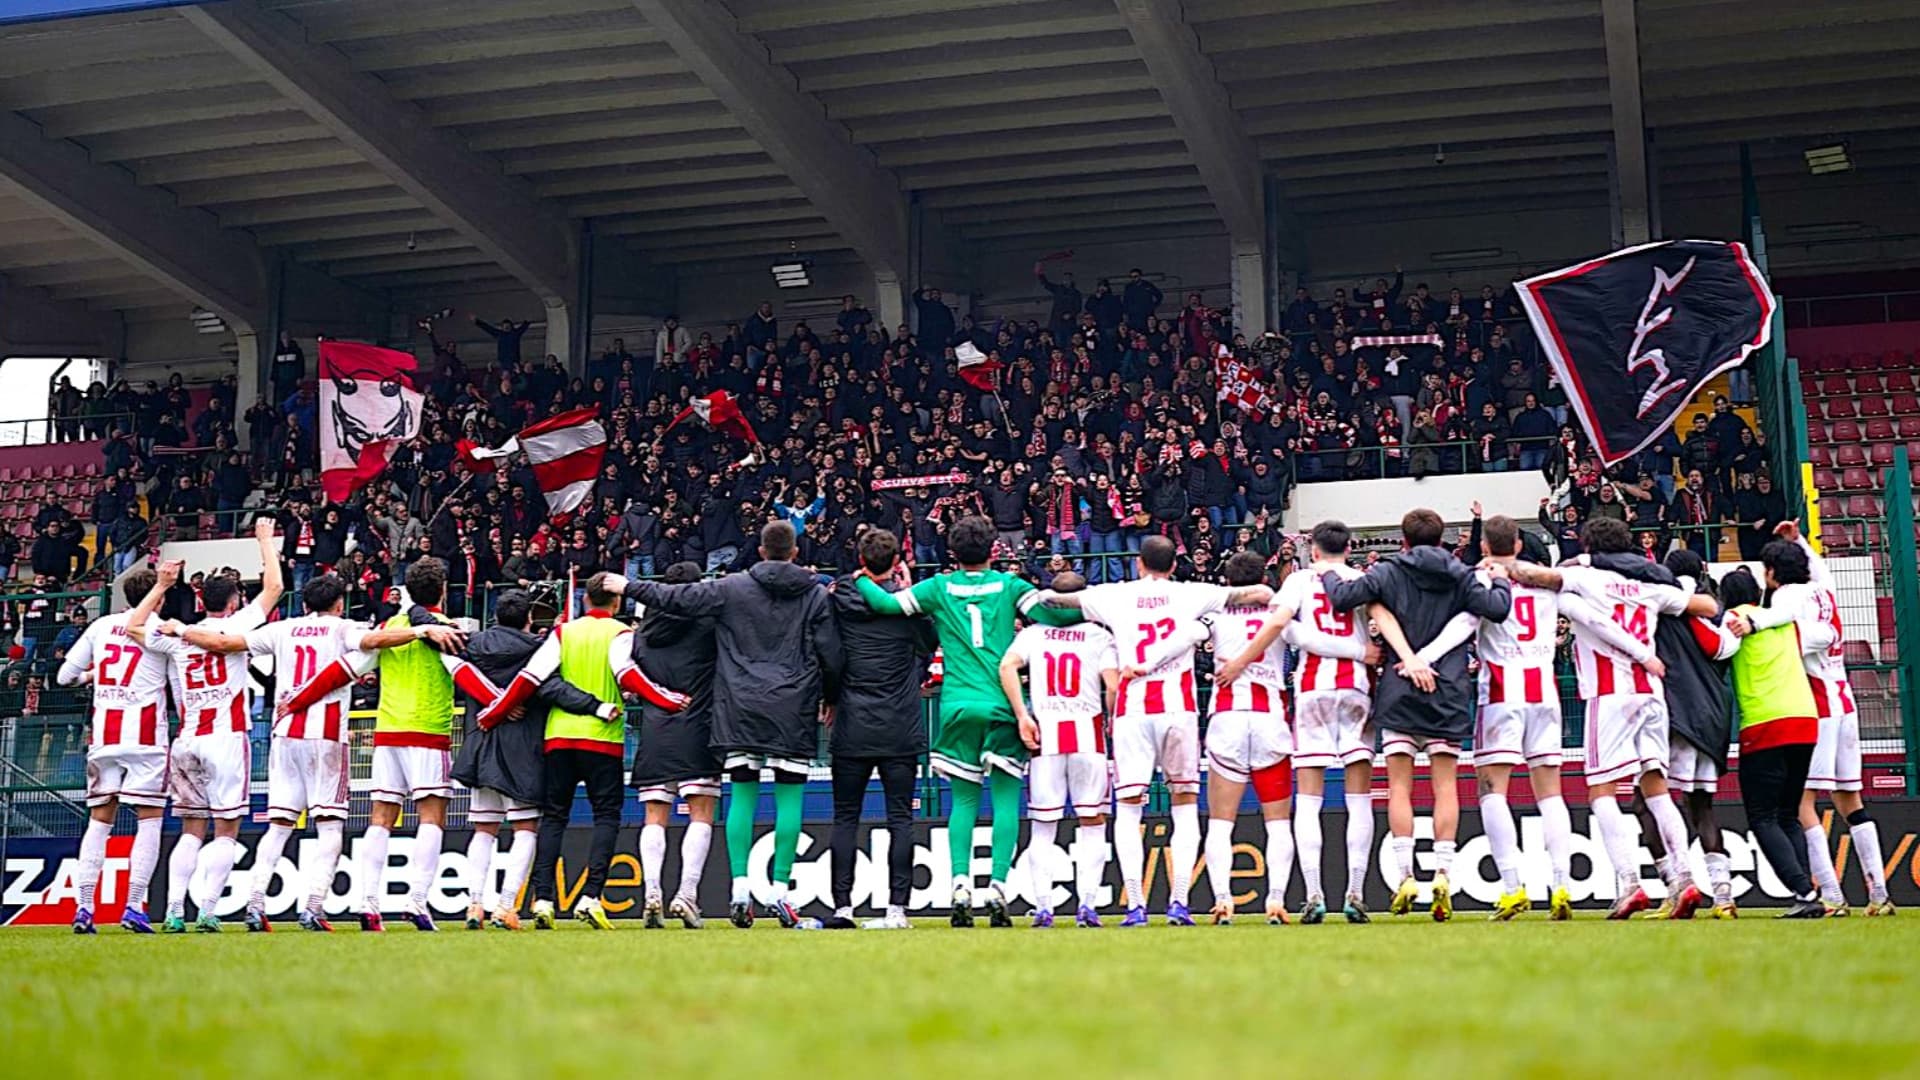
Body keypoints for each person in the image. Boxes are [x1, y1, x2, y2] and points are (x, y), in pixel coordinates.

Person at [171, 573, 460, 931]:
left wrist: (180, 630)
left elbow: (227, 643)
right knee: (329, 824)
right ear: (339, 604)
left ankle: (256, 905)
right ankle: (313, 907)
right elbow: (372, 641)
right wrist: (420, 631)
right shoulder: (343, 628)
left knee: (279, 824)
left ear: (305, 604)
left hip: (284, 734)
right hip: (326, 737)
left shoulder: (282, 628)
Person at [601, 521, 842, 930]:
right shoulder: (814, 594)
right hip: (792, 706)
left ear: (761, 552)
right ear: (795, 552)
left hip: (740, 705)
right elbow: (830, 650)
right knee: (789, 798)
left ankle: (740, 889)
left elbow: (673, 596)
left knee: (743, 794)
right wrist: (831, 695)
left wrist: (627, 586)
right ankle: (781, 891)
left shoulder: (732, 587)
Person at [1402, 519, 1641, 921]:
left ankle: (1513, 888)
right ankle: (1562, 885)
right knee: (1550, 793)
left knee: (1493, 791)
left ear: (1483, 544)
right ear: (1516, 543)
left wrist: (1420, 658)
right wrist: (1640, 651)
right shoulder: (1547, 583)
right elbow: (1595, 620)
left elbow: (1463, 625)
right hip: (1545, 695)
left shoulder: (1482, 581)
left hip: (1501, 695)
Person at [854, 515, 1081, 928]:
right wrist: (1093, 610)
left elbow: (886, 604)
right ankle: (996, 887)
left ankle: (960, 883)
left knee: (963, 800)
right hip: (1004, 704)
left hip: (958, 704)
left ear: (952, 553)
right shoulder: (1012, 587)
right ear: (994, 549)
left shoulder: (938, 588)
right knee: (1007, 800)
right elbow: (1054, 618)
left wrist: (863, 579)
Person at [1037, 534, 1272, 927]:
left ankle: (1136, 906)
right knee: (1183, 805)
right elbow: (1258, 594)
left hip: (1132, 711)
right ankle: (1179, 902)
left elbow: (1057, 599)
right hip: (1178, 710)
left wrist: (1045, 598)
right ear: (1174, 565)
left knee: (1129, 810)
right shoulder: (1192, 592)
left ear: (1138, 564)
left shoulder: (1115, 594)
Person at [1506, 518, 1717, 919]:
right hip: (1652, 697)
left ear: (1592, 547)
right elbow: (1707, 606)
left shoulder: (1586, 580)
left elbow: (1527, 572)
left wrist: (1570, 564)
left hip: (1610, 696)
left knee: (1602, 790)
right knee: (1656, 788)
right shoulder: (1649, 589)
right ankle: (1684, 879)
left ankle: (1629, 883)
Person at [272, 558, 496, 932]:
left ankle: (368, 903)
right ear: (443, 590)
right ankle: (416, 901)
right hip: (427, 731)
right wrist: (501, 705)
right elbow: (464, 674)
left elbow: (343, 670)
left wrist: (296, 699)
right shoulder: (442, 630)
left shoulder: (389, 628)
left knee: (380, 819)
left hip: (387, 732)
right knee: (431, 817)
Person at [1325, 508, 1512, 921]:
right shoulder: (1461, 574)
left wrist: (1327, 572)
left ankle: (1406, 874)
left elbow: (1341, 599)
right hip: (1447, 689)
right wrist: (1498, 578)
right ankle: (1444, 871)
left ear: (1403, 540)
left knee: (1399, 787)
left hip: (1399, 684)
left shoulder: (1389, 572)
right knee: (1445, 787)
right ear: (1442, 538)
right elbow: (1496, 609)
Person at [474, 572, 689, 930]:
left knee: (555, 818)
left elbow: (530, 677)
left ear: (585, 601)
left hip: (558, 738)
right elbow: (626, 675)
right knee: (606, 816)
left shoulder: (564, 632)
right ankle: (590, 897)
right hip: (603, 739)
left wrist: (493, 713)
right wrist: (666, 700)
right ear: (616, 602)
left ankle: (542, 901)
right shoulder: (620, 634)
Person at [126, 519, 283, 933]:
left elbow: (132, 628)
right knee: (226, 829)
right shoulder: (236, 626)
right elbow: (275, 589)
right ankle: (208, 911)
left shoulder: (179, 634)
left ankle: (175, 909)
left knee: (192, 828)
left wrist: (160, 587)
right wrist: (265, 541)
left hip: (187, 739)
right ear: (232, 602)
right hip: (226, 739)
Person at [1221, 521, 1376, 923]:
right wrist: (1362, 652)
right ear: (1350, 545)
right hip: (1358, 689)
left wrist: (1239, 663)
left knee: (1309, 797)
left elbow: (1280, 627)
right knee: (1359, 797)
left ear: (1313, 548)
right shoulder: (1363, 580)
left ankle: (1313, 893)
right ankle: (1356, 891)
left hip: (1312, 690)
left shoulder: (1299, 581)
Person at [452, 589, 613, 931]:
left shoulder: (474, 644)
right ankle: (506, 906)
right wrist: (594, 705)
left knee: (483, 828)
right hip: (522, 750)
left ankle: (474, 904)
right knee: (525, 827)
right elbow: (552, 688)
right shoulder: (536, 648)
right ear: (528, 619)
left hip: (481, 743)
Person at [1767, 523, 1893, 916]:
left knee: (1802, 801)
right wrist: (1799, 541)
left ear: (1773, 573)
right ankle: (1879, 894)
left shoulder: (1786, 596)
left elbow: (1780, 620)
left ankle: (1833, 897)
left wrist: (1752, 621)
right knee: (1849, 799)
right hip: (1845, 701)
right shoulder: (1823, 589)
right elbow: (1820, 567)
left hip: (1818, 706)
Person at [1616, 549, 1740, 919]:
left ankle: (1674, 884)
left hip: (1677, 714)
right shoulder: (1708, 613)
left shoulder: (1663, 610)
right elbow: (1719, 647)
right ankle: (1723, 896)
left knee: (1645, 802)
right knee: (1701, 806)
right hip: (1712, 716)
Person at [828, 530, 937, 930]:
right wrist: (910, 596)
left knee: (844, 818)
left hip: (852, 721)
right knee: (899, 820)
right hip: (900, 725)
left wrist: (832, 696)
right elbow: (929, 643)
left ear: (861, 557)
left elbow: (830, 653)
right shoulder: (908, 606)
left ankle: (843, 908)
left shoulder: (840, 597)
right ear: (897, 562)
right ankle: (897, 909)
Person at [56, 567, 176, 934]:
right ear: (160, 597)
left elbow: (64, 677)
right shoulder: (164, 629)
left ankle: (84, 908)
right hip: (146, 738)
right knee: (150, 820)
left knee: (99, 822)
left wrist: (92, 676)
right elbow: (178, 688)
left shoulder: (100, 626)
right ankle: (134, 906)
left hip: (105, 735)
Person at [999, 570, 1118, 929]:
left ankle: (1045, 906)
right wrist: (1111, 718)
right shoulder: (1098, 635)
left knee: (1043, 826)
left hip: (1047, 733)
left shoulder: (1034, 634)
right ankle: (1088, 906)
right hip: (1088, 734)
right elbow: (1112, 684)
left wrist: (1023, 715)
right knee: (1092, 822)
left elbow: (1007, 666)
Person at [1194, 552, 1302, 925]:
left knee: (1221, 823)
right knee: (1278, 824)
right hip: (1271, 719)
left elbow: (1186, 636)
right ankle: (1276, 900)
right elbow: (1307, 639)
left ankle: (1223, 900)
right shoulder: (1280, 609)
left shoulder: (1215, 613)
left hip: (1227, 719)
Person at [1719, 565, 1828, 918]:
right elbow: (1825, 634)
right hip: (1805, 721)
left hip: (1766, 724)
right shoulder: (1783, 621)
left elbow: (1713, 652)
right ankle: (1806, 894)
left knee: (1762, 817)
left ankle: (1802, 889)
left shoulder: (1732, 622)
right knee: (1788, 814)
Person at [631, 561, 725, 930]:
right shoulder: (708, 628)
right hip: (698, 728)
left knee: (655, 816)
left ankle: (651, 891)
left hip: (655, 732)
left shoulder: (643, 636)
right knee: (701, 813)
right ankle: (686, 894)